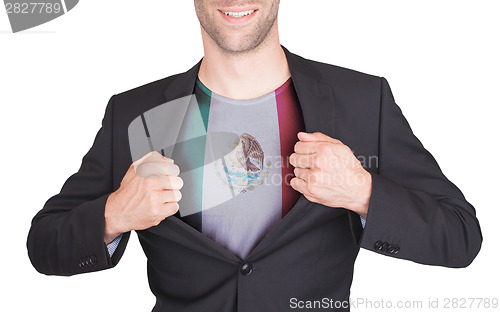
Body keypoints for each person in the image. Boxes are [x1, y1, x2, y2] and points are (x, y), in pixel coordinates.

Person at [27, 1, 482, 311]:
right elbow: (44, 245)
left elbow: (460, 236)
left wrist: (363, 192)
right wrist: (114, 214)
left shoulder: (362, 101)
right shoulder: (136, 113)